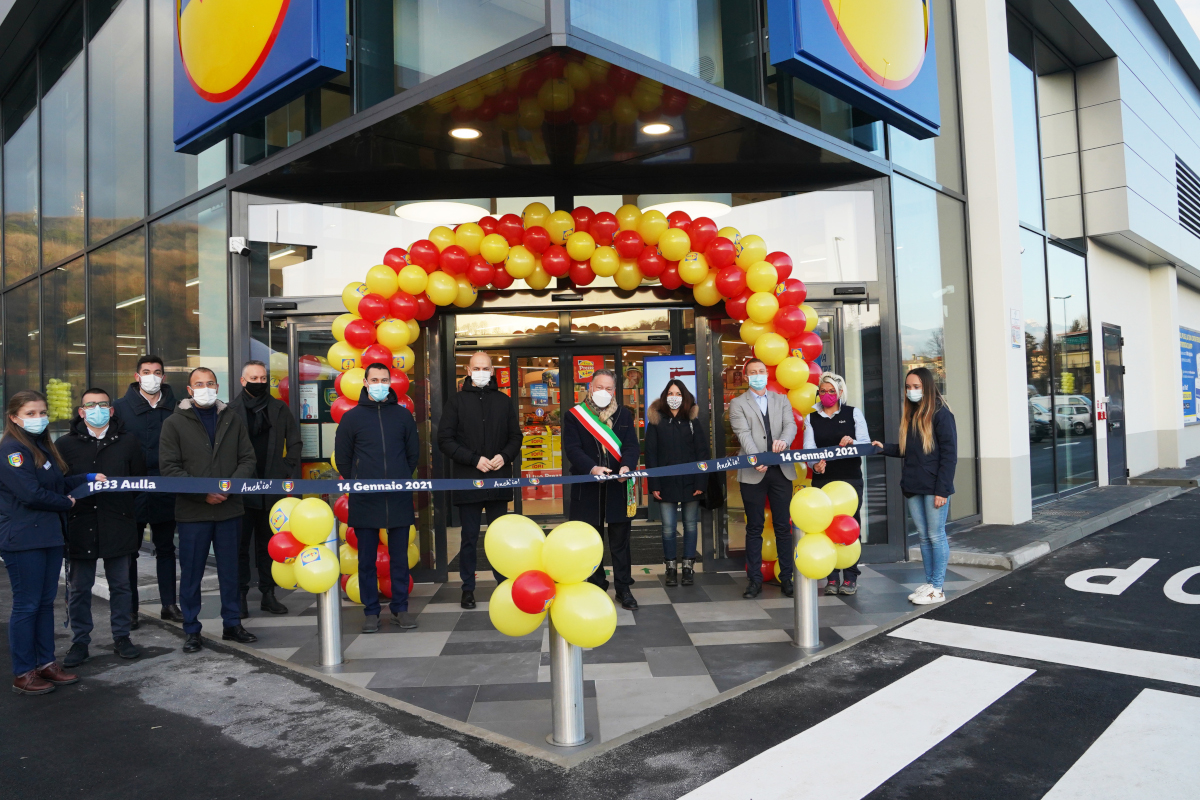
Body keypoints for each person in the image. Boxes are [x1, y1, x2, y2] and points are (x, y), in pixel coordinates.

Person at [0, 391, 101, 694]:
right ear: (14, 417)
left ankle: (45, 663)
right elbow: (31, 493)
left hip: (48, 536)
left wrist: (88, 477)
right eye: (30, 413)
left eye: (42, 412)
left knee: (45, 604)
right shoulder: (12, 450)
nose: (39, 418)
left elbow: (57, 483)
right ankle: (23, 671)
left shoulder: (41, 445)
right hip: (24, 540)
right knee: (27, 606)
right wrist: (66, 502)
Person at [159, 368, 259, 653]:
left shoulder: (232, 418)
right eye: (199, 384)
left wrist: (229, 488)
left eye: (210, 383)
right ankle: (192, 629)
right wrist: (204, 493)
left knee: (230, 571)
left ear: (218, 386)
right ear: (189, 390)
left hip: (230, 510)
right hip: (193, 513)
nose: (205, 388)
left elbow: (247, 458)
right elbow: (169, 468)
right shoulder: (174, 423)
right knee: (191, 574)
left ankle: (232, 625)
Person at [58, 388, 147, 667]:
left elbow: (138, 481)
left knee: (121, 586)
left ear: (111, 410)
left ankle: (122, 637)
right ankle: (80, 641)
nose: (97, 409)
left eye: (103, 404)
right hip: (80, 525)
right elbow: (61, 483)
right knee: (80, 587)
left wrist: (120, 507)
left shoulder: (128, 441)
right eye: (90, 405)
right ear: (81, 412)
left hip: (118, 522)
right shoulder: (64, 445)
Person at [334, 362, 421, 633]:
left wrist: (400, 477)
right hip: (365, 499)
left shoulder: (403, 416)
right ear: (365, 382)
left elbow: (412, 454)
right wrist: (358, 481)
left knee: (399, 558)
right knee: (366, 560)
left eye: (385, 379)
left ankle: (400, 609)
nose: (381, 384)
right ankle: (371, 612)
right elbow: (344, 459)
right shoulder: (352, 418)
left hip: (398, 497)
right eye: (375, 379)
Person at [437, 352, 521, 609]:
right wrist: (473, 459)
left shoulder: (504, 401)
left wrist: (503, 456)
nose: (482, 371)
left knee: (500, 537)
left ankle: (503, 583)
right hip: (468, 480)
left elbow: (515, 437)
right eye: (477, 367)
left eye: (486, 367)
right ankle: (468, 588)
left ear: (493, 370)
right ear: (468, 369)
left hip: (498, 480)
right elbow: (445, 440)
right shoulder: (456, 402)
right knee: (469, 537)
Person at [873, 367, 958, 606]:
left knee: (935, 535)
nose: (911, 391)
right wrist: (884, 447)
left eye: (916, 387)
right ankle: (930, 583)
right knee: (923, 537)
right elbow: (908, 450)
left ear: (928, 387)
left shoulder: (942, 414)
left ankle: (938, 587)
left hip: (934, 488)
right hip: (913, 485)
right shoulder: (912, 414)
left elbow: (949, 456)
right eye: (908, 387)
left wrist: (943, 490)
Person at [562, 369, 641, 610]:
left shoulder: (624, 415)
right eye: (599, 388)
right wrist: (592, 468)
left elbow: (631, 446)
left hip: (618, 485)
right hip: (588, 487)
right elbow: (573, 449)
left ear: (614, 391)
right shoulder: (574, 416)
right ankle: (596, 584)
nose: (603, 392)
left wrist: (627, 465)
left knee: (620, 541)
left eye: (608, 388)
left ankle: (623, 588)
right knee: (591, 541)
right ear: (590, 389)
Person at [229, 360, 301, 617]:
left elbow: (294, 442)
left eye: (263, 378)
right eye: (254, 378)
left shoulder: (279, 408)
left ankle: (268, 594)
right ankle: (240, 596)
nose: (259, 383)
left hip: (272, 488)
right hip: (241, 489)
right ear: (242, 380)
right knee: (240, 546)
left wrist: (285, 469)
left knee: (269, 544)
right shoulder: (230, 410)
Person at [114, 355, 182, 625]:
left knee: (166, 549)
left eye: (157, 372)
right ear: (137, 376)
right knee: (129, 551)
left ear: (164, 377)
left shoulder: (177, 408)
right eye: (146, 371)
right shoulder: (120, 408)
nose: (152, 376)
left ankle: (169, 604)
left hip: (166, 488)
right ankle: (131, 608)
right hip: (133, 491)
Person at [729, 358, 796, 599]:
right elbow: (743, 434)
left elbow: (790, 426)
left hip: (781, 471)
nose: (757, 375)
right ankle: (754, 580)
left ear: (767, 374)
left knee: (782, 526)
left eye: (761, 371)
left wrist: (785, 441)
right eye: (752, 372)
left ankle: (787, 578)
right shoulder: (737, 404)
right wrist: (755, 458)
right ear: (746, 377)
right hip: (752, 471)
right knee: (754, 527)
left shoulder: (782, 400)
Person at [805, 372, 871, 596]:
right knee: (825, 527)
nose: (827, 395)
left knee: (850, 525)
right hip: (823, 480)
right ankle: (832, 577)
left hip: (850, 479)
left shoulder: (853, 413)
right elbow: (808, 450)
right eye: (822, 391)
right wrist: (815, 465)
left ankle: (851, 577)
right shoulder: (811, 417)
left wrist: (852, 442)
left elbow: (865, 444)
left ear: (840, 393)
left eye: (831, 391)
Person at [645, 380, 709, 587]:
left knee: (691, 526)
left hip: (691, 482)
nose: (674, 396)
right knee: (668, 528)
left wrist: (701, 480)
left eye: (678, 393)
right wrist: (653, 484)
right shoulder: (656, 421)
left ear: (685, 396)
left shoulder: (692, 421)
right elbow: (651, 455)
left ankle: (688, 567)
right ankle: (670, 568)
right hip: (665, 484)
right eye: (671, 393)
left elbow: (702, 453)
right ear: (665, 396)